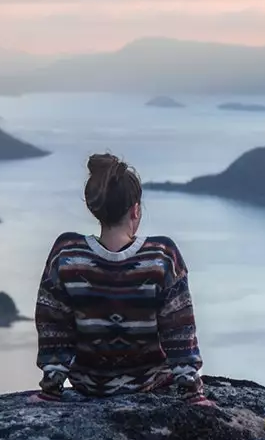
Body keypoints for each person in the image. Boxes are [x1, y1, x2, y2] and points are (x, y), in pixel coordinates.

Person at [33, 152, 213, 405]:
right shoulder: (161, 256)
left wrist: (50, 390)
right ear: (135, 210)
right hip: (149, 384)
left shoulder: (67, 252)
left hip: (87, 385)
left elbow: (53, 325)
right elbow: (179, 330)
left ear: (94, 207)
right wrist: (193, 395)